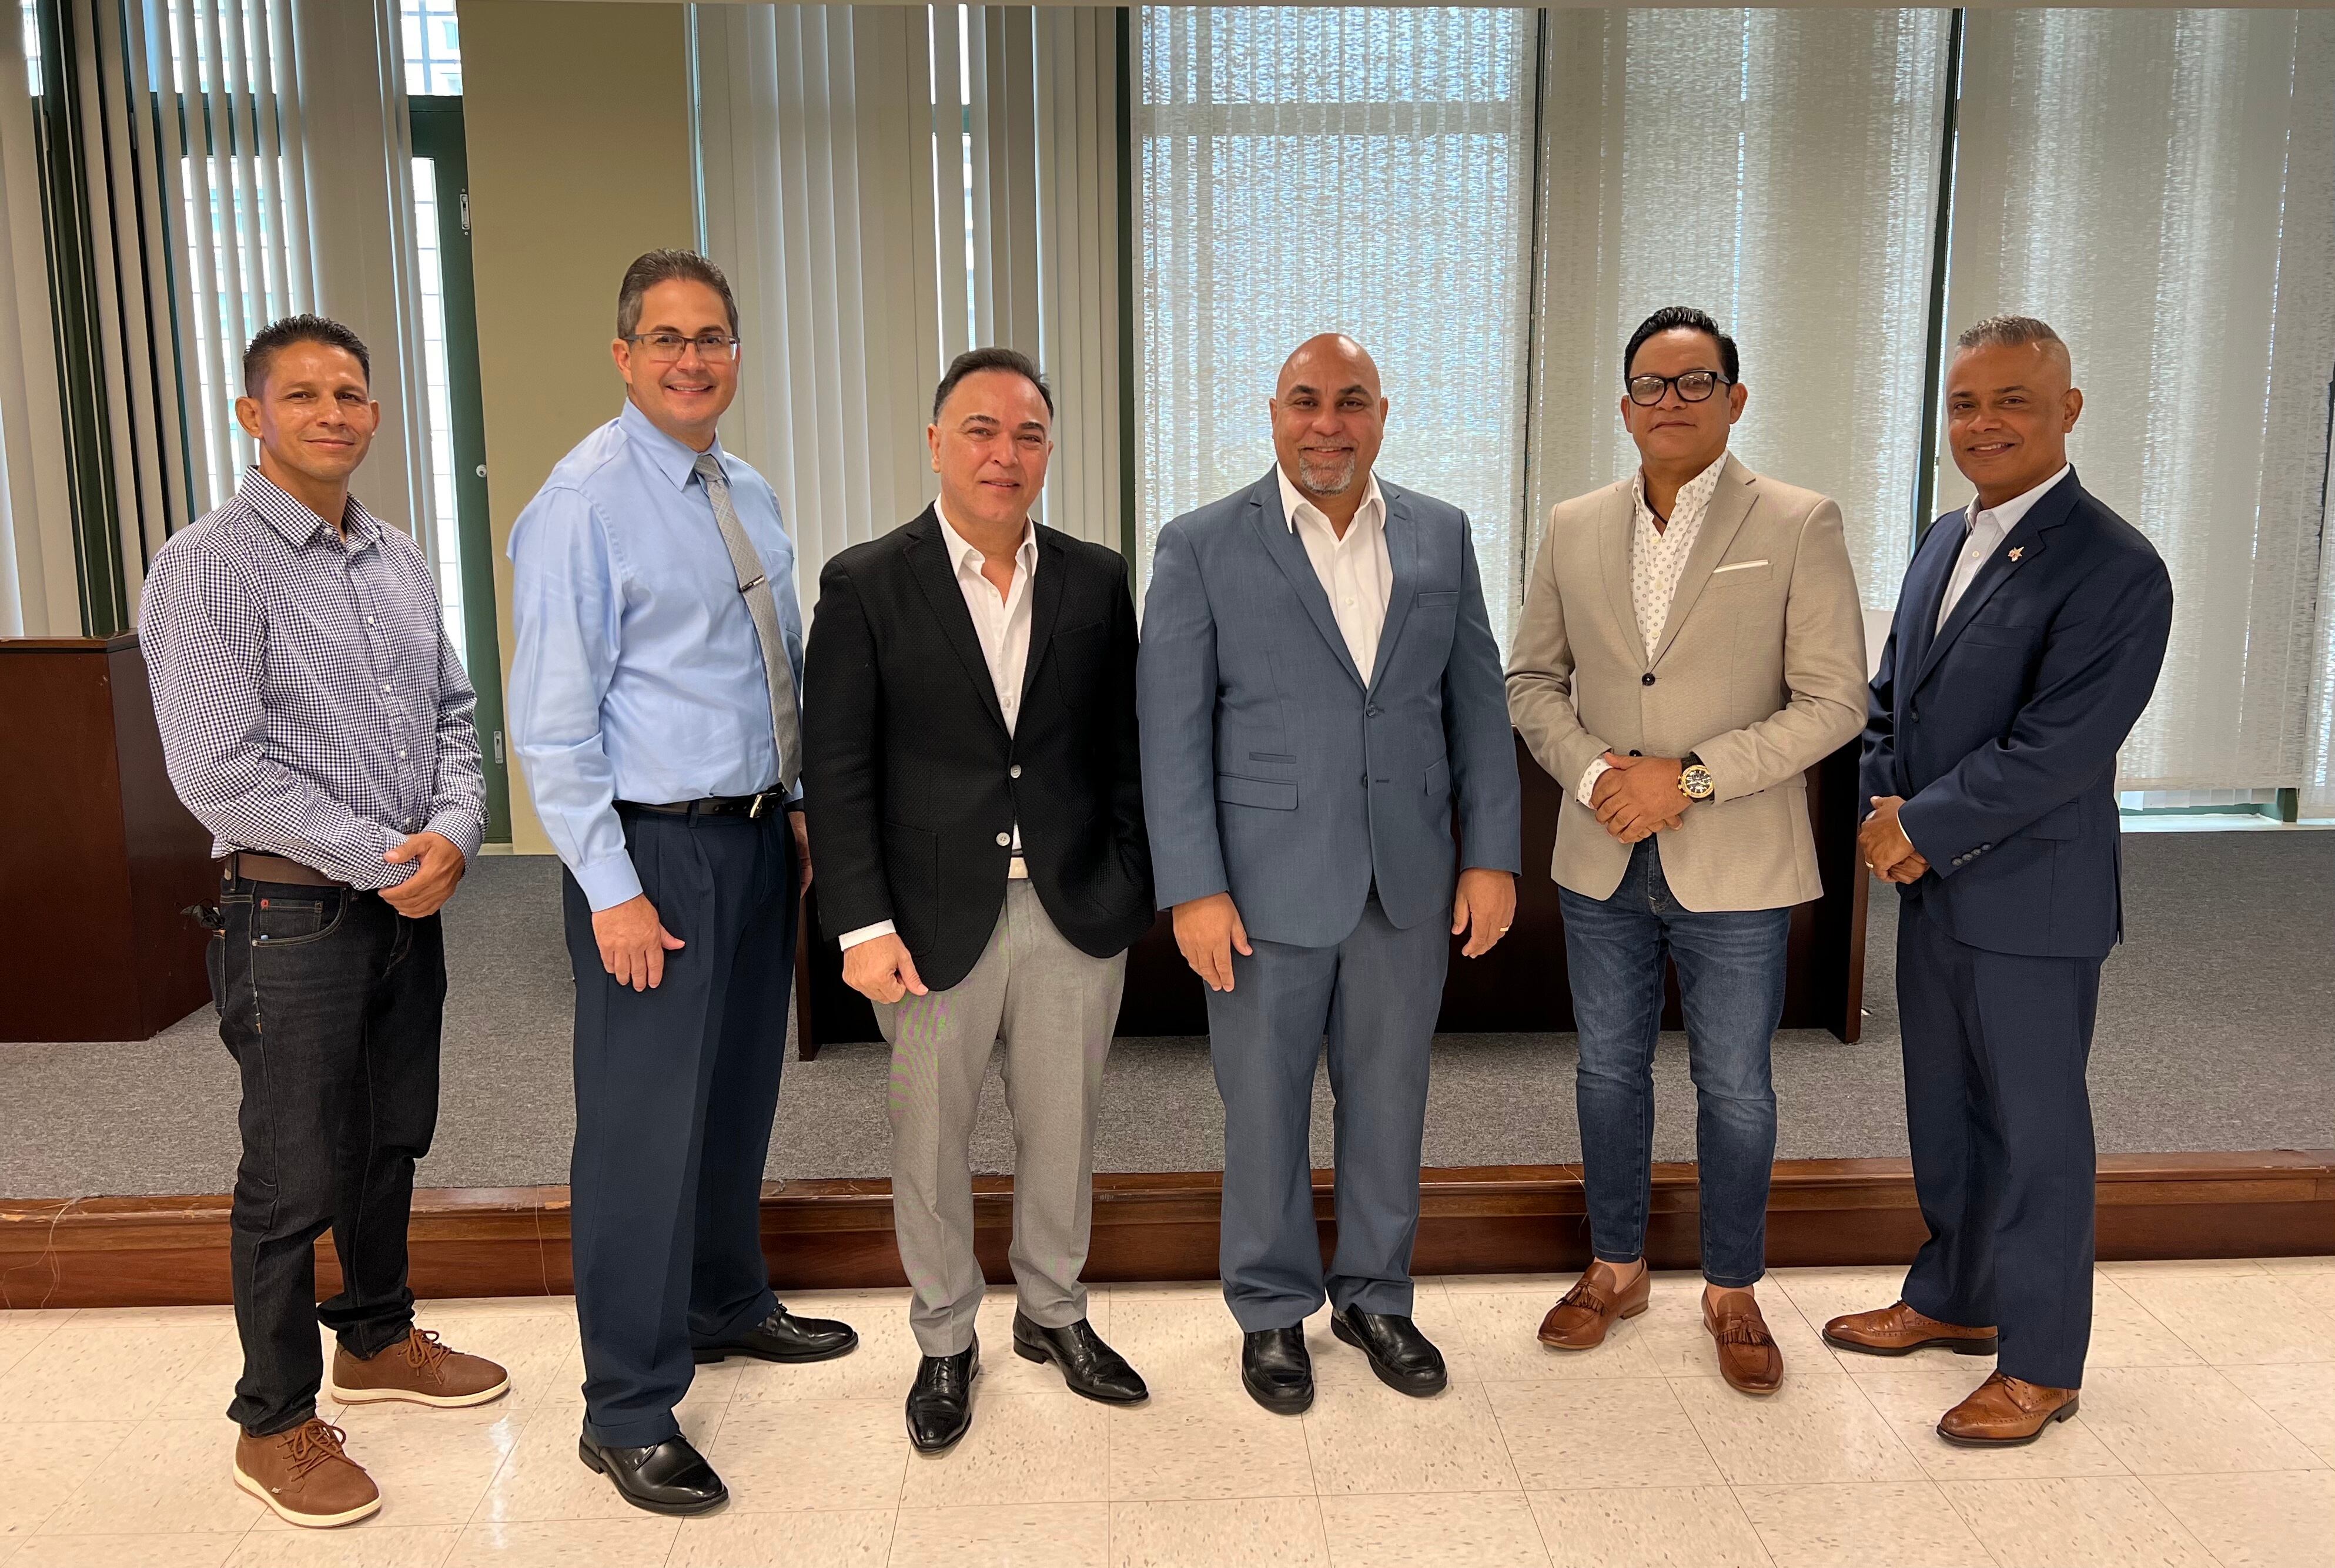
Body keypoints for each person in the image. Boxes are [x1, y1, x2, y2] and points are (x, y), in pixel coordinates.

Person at [140, 315, 508, 1529]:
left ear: (374, 414)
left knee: (391, 1135)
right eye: (302, 395)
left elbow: (454, 711)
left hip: (405, 901)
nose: (332, 413)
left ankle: (378, 1337)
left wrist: (453, 832)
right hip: (291, 911)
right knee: (293, 1169)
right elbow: (218, 771)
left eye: (350, 394)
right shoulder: (206, 564)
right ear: (254, 416)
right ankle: (275, 1420)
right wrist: (380, 858)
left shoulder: (397, 556)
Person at [507, 250, 856, 1516]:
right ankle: (627, 1405)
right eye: (666, 338)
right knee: (641, 1131)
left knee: (735, 1094)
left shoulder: (744, 488)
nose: (691, 359)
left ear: (736, 355)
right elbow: (552, 726)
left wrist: (798, 804)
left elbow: (777, 663)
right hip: (651, 851)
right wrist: (611, 890)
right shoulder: (582, 505)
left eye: (712, 338)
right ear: (624, 355)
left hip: (754, 838)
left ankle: (723, 1299)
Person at [1138, 333, 1521, 1415]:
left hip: (1408, 880)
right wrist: (1193, 887)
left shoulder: (1441, 533)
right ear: (1274, 413)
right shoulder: (1201, 544)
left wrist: (1492, 856)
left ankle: (1375, 1296)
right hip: (1261, 891)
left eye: (1351, 402)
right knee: (1263, 1106)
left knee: (1391, 1098)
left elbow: (1477, 708)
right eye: (1306, 401)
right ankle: (1270, 1308)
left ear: (1382, 415)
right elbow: (1171, 733)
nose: (1328, 424)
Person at [1507, 304, 1866, 1396]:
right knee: (1607, 1072)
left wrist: (1691, 778)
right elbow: (1532, 681)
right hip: (1604, 850)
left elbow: (1835, 701)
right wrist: (1598, 777)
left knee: (1736, 1086)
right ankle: (1616, 1268)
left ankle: (1733, 1287)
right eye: (1651, 386)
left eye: (1696, 381)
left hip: (1738, 857)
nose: (1672, 401)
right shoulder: (1573, 524)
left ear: (1734, 398)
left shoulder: (1799, 521)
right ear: (1625, 408)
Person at [802, 347, 1155, 1452]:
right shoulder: (865, 583)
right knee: (929, 1136)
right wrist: (861, 925)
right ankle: (946, 1337)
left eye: (1029, 435)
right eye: (981, 430)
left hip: (1070, 909)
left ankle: (1054, 1312)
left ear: (1049, 450)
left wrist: (1129, 879)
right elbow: (838, 771)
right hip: (920, 923)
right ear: (935, 443)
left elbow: (1125, 750)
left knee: (1065, 1128)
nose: (1006, 454)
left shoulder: (1096, 578)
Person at [1827, 316, 2171, 1445]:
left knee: (2035, 1134)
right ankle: (1955, 1298)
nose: (1985, 424)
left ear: (2069, 410)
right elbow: (1892, 696)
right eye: (1966, 403)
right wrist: (1884, 808)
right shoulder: (1946, 536)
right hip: (1935, 883)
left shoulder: (2116, 565)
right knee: (1947, 1112)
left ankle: (2041, 1363)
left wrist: (1921, 827)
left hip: (2034, 897)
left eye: (2013, 400)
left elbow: (2060, 746)